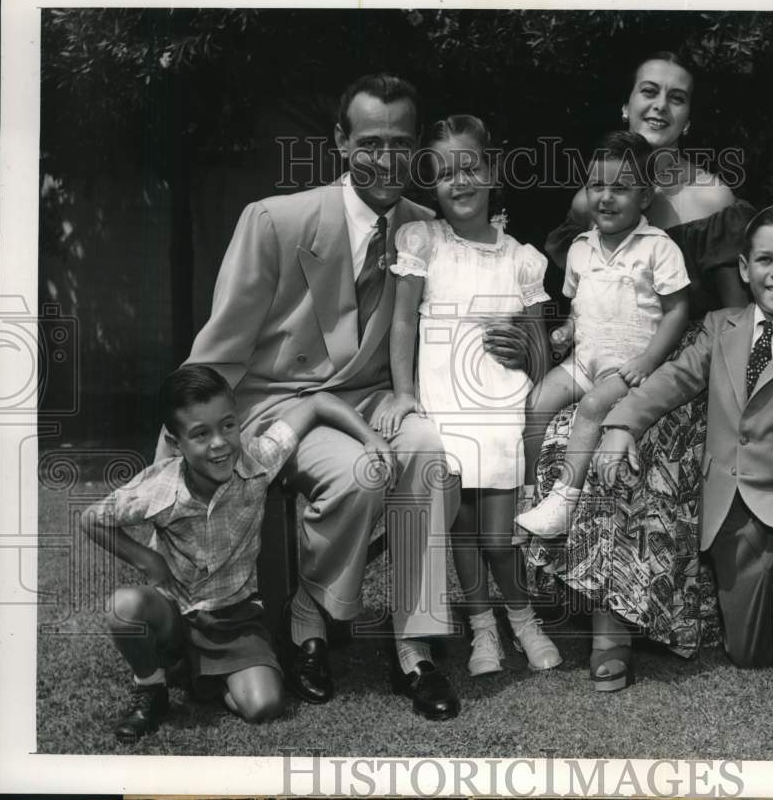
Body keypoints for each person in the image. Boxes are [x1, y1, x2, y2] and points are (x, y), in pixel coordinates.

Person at [158, 74, 531, 720]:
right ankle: (310, 624)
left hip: (377, 399)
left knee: (430, 456)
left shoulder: (427, 228)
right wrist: (170, 461)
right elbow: (218, 352)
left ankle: (413, 645)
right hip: (280, 404)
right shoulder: (276, 221)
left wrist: (520, 347)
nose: (387, 159)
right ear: (339, 142)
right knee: (360, 475)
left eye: (401, 143)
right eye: (370, 142)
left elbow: (475, 303)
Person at [525, 51, 756, 684]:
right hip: (603, 358)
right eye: (647, 92)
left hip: (685, 372)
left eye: (676, 98)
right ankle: (541, 580)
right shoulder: (593, 199)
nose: (660, 105)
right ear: (625, 107)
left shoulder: (711, 196)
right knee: (548, 421)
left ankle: (612, 631)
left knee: (622, 444)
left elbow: (732, 318)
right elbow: (577, 291)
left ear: (688, 118)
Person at [594, 204, 773, 702]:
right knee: (748, 653)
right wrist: (621, 422)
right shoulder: (719, 327)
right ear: (744, 268)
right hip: (731, 513)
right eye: (764, 260)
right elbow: (673, 380)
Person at [84, 365, 396, 742]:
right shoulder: (158, 486)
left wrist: (369, 438)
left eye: (228, 426)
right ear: (175, 441)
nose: (219, 443)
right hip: (175, 611)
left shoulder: (258, 460)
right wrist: (145, 558)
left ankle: (202, 674)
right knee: (124, 607)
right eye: (200, 434)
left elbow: (316, 404)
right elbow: (92, 519)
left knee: (264, 706)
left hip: (234, 617)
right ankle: (151, 687)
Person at [374, 115, 562, 676]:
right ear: (431, 183)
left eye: (471, 167)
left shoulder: (522, 258)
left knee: (499, 538)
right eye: (445, 172)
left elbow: (538, 348)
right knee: (460, 529)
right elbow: (402, 324)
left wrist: (526, 359)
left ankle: (523, 618)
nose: (460, 182)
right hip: (444, 410)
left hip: (501, 411)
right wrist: (405, 392)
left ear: (493, 171)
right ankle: (482, 628)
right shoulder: (422, 243)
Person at [515, 131, 690, 538]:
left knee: (593, 406)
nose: (606, 197)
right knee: (536, 401)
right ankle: (527, 494)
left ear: (645, 197)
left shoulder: (658, 248)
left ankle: (563, 501)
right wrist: (567, 330)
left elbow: (677, 310)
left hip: (625, 367)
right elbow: (582, 308)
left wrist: (648, 361)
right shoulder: (579, 248)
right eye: (597, 186)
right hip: (584, 359)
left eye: (621, 188)